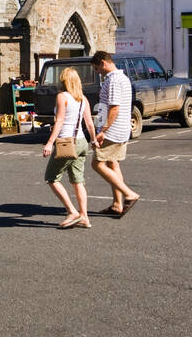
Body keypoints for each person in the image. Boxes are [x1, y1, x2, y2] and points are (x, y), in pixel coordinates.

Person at [41, 67, 97, 229]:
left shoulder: (62, 97)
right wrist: (93, 140)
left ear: (64, 81)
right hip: (81, 141)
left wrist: (50, 142)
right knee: (78, 180)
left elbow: (59, 121)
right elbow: (89, 123)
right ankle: (84, 217)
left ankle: (72, 211)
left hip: (65, 142)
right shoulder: (83, 99)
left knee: (52, 178)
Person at [90, 50, 141, 217]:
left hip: (112, 131)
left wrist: (103, 130)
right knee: (113, 163)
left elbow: (114, 107)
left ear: (103, 63)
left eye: (97, 68)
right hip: (121, 129)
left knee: (97, 164)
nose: (98, 72)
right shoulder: (123, 78)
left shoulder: (113, 80)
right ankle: (117, 204)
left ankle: (129, 194)